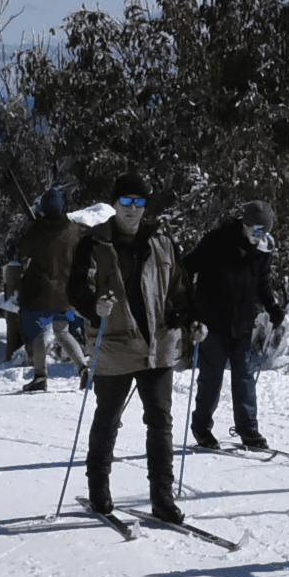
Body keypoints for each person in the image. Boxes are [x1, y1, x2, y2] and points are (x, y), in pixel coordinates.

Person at [81, 172, 187, 521]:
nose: (132, 209)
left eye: (139, 202)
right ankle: (99, 489)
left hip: (158, 347)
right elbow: (76, 289)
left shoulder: (163, 242)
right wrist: (92, 307)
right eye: (125, 202)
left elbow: (179, 290)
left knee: (160, 422)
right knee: (108, 420)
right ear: (113, 205)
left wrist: (190, 317)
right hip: (113, 346)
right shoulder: (93, 244)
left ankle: (162, 497)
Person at [183, 197, 288, 450]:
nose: (260, 235)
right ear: (245, 224)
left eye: (265, 231)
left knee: (244, 378)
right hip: (212, 323)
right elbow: (186, 267)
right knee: (212, 378)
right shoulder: (216, 241)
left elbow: (261, 283)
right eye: (256, 230)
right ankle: (201, 429)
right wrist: (192, 308)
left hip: (242, 324)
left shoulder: (262, 250)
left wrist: (273, 308)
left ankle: (249, 431)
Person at [12, 186, 90, 392]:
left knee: (37, 334)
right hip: (65, 291)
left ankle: (40, 376)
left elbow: (22, 249)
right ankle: (83, 368)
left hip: (39, 293)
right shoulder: (74, 229)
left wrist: (34, 227)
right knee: (62, 332)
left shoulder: (37, 230)